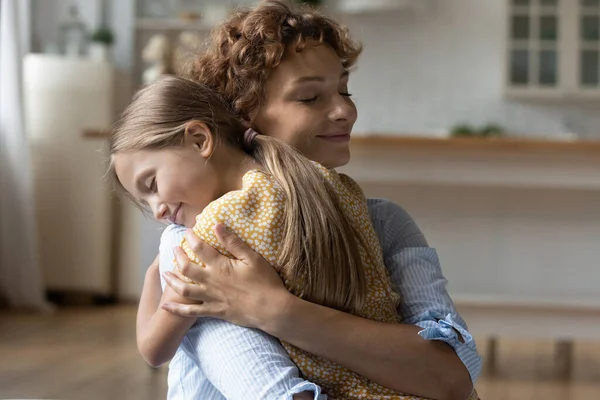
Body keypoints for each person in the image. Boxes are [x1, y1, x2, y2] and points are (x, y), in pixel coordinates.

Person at [154, 1, 481, 399]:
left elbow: (454, 378)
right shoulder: (207, 238)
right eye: (310, 98)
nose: (345, 110)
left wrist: (278, 311)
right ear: (243, 118)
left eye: (344, 89)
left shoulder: (385, 223)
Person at [111, 73, 443, 399]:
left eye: (152, 185)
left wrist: (154, 271)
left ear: (200, 139)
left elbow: (154, 350)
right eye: (145, 202)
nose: (157, 210)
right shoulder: (327, 184)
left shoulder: (216, 228)